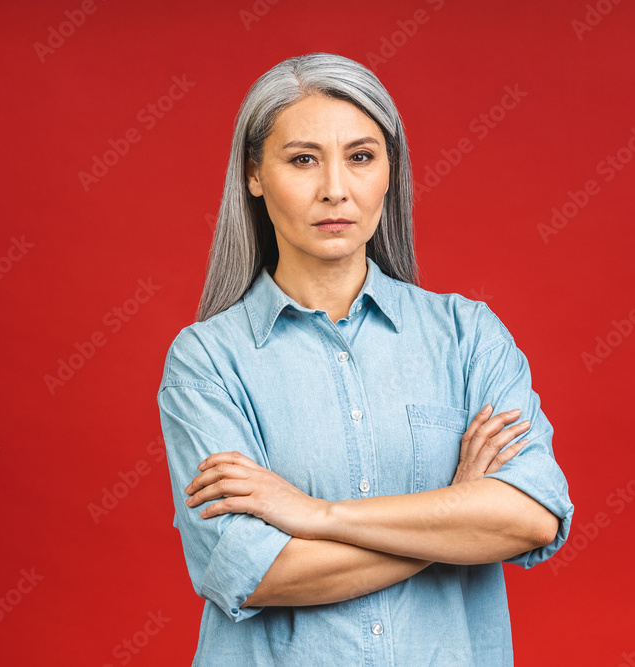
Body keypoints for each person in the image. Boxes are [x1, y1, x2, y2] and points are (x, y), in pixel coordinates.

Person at [155, 52, 573, 665]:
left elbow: (531, 517)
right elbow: (259, 573)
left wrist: (314, 515)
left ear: (389, 172)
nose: (335, 188)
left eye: (360, 156)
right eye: (303, 159)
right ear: (254, 174)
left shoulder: (468, 336)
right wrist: (455, 515)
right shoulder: (206, 362)